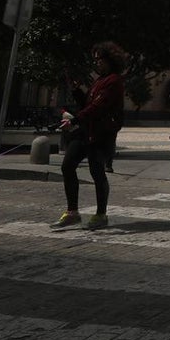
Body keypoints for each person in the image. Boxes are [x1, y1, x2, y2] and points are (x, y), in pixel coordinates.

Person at [50, 41, 126, 230]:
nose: (97, 63)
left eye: (100, 59)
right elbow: (88, 104)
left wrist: (74, 121)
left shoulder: (114, 81)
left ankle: (101, 214)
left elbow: (98, 107)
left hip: (101, 135)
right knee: (67, 166)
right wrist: (77, 91)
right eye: (96, 59)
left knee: (96, 171)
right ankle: (72, 212)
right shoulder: (99, 81)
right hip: (86, 132)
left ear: (110, 60)